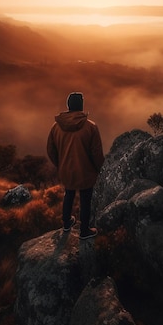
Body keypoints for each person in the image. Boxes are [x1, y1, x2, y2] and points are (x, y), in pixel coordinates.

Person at [47, 92, 104, 239]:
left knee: (69, 194)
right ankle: (84, 230)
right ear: (81, 106)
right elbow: (96, 154)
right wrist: (100, 169)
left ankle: (66, 223)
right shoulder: (91, 127)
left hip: (66, 170)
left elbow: (51, 150)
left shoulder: (55, 127)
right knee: (86, 199)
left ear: (68, 106)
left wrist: (60, 164)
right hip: (86, 171)